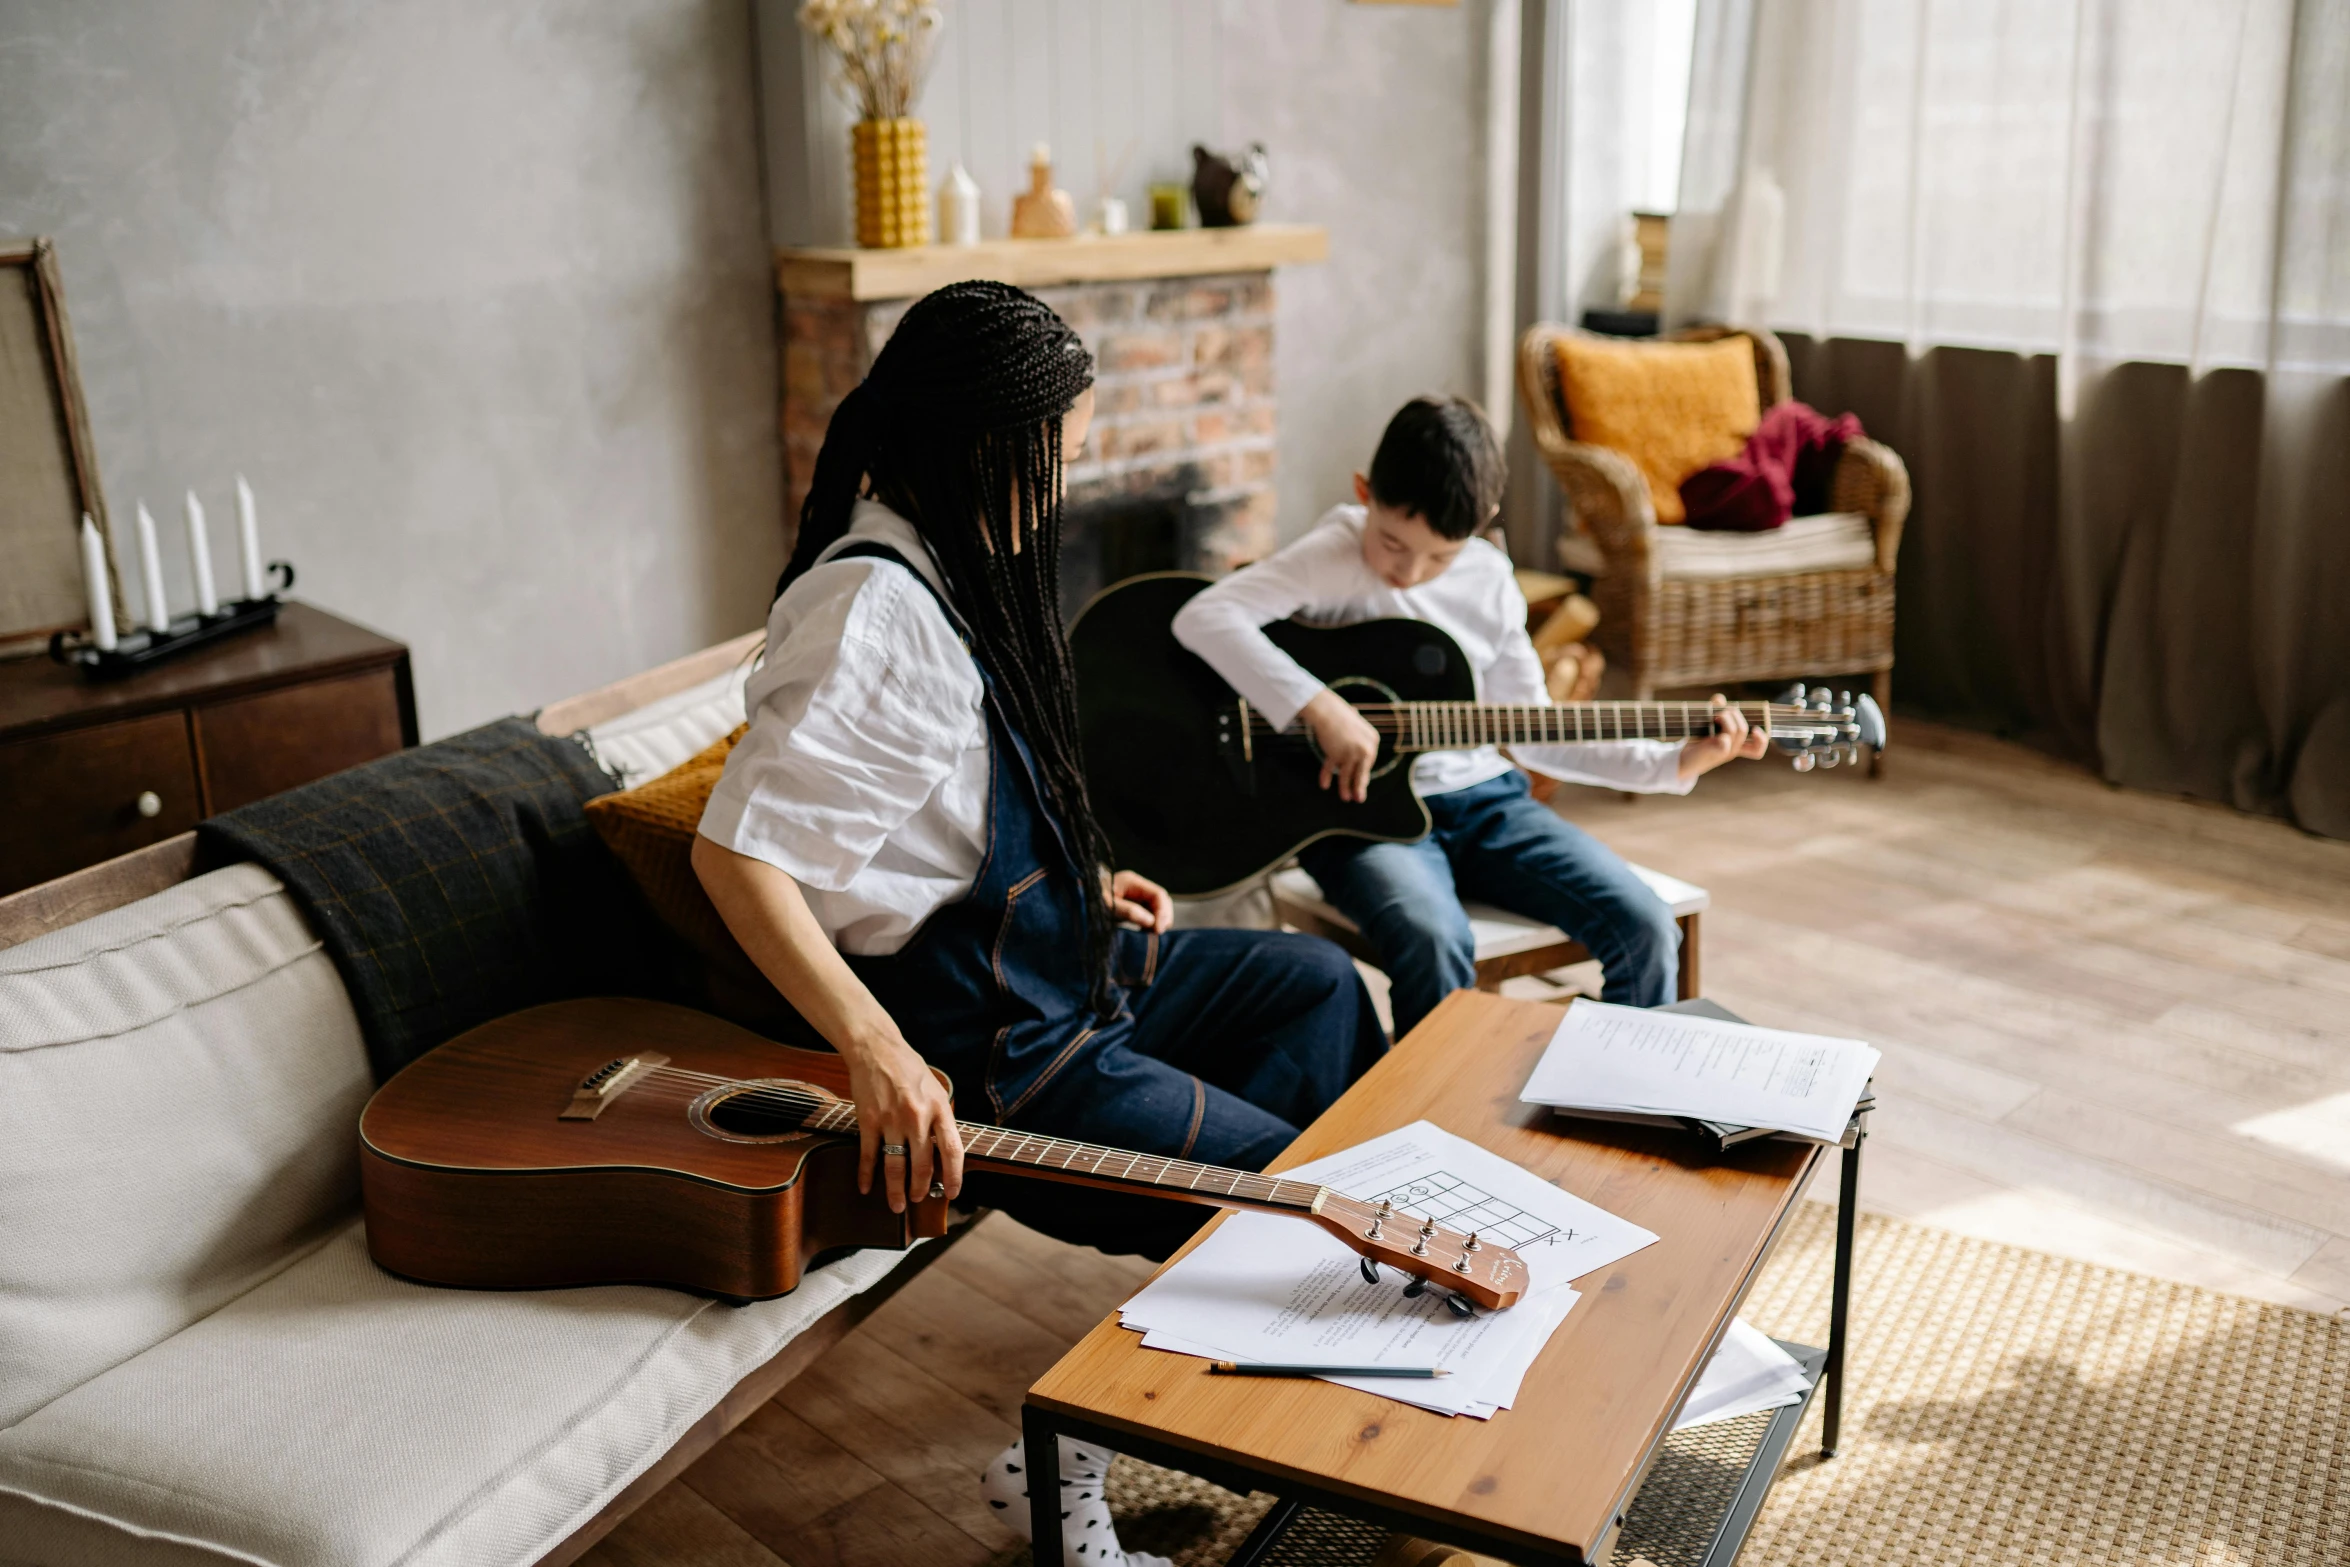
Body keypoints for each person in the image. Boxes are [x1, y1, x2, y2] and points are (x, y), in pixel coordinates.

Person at [691, 281, 1385, 1263]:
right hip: (1007, 1053)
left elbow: (940, 817)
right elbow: (736, 857)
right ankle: (1267, 1246)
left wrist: (1079, 884)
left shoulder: (950, 566)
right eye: (1057, 460)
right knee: (1291, 1198)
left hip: (1062, 968)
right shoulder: (873, 619)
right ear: (985, 453)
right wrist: (875, 1049)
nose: (1062, 492)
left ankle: (1248, 1254)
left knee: (1321, 984)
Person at [1172, 395, 1767, 1037]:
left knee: (1645, 925)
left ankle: (1619, 1108)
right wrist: (1320, 708)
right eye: (1393, 543)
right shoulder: (1334, 551)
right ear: (1363, 493)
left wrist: (1676, 761)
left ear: (1483, 523)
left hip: (1489, 805)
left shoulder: (1489, 580)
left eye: (1439, 557)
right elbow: (1203, 615)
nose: (1408, 572)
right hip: (1364, 820)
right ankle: (1431, 1125)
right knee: (1431, 939)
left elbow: (1537, 734)